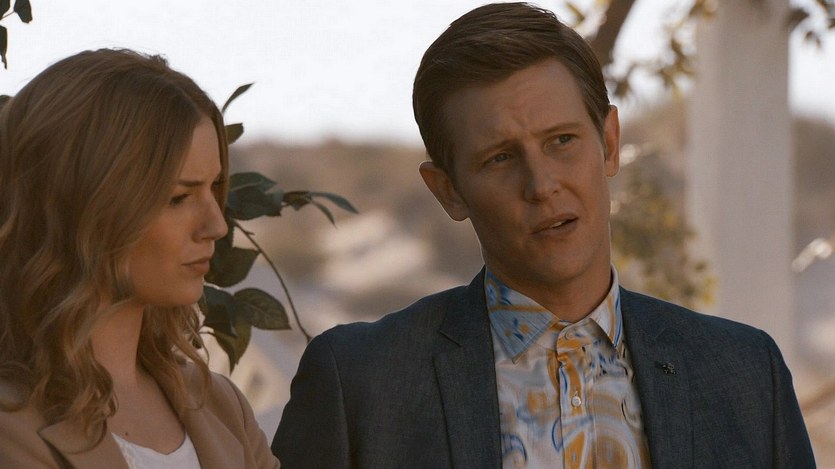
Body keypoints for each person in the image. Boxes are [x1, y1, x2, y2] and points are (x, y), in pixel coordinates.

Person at [273, 2, 815, 468]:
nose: (542, 185)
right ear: (448, 191)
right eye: (500, 158)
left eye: (561, 141)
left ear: (609, 143)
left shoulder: (745, 374)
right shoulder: (361, 383)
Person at [0, 49, 279, 468]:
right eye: (178, 197)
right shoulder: (11, 424)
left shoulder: (224, 408)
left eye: (214, 188)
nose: (217, 226)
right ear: (84, 204)